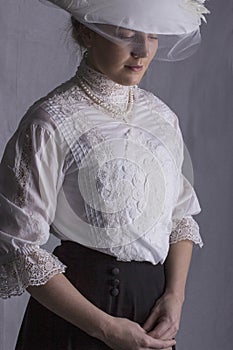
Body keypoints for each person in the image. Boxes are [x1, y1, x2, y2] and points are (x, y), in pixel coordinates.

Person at [0, 1, 209, 349]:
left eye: (153, 36)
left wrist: (175, 299)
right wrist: (106, 329)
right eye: (127, 35)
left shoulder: (162, 118)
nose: (142, 51)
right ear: (85, 32)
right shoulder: (51, 121)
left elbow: (180, 217)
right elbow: (19, 247)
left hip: (152, 314)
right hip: (79, 315)